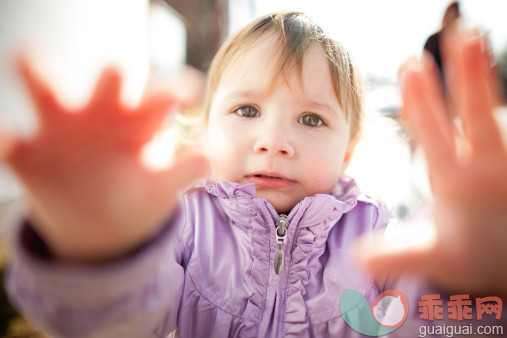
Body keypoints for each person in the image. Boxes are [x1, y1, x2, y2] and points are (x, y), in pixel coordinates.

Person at [1, 11, 505, 337]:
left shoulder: (375, 235)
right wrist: (96, 251)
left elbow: (422, 322)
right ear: (205, 130)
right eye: (246, 111)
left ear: (348, 153)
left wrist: (480, 288)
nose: (274, 141)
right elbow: (117, 321)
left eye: (311, 119)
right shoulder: (184, 224)